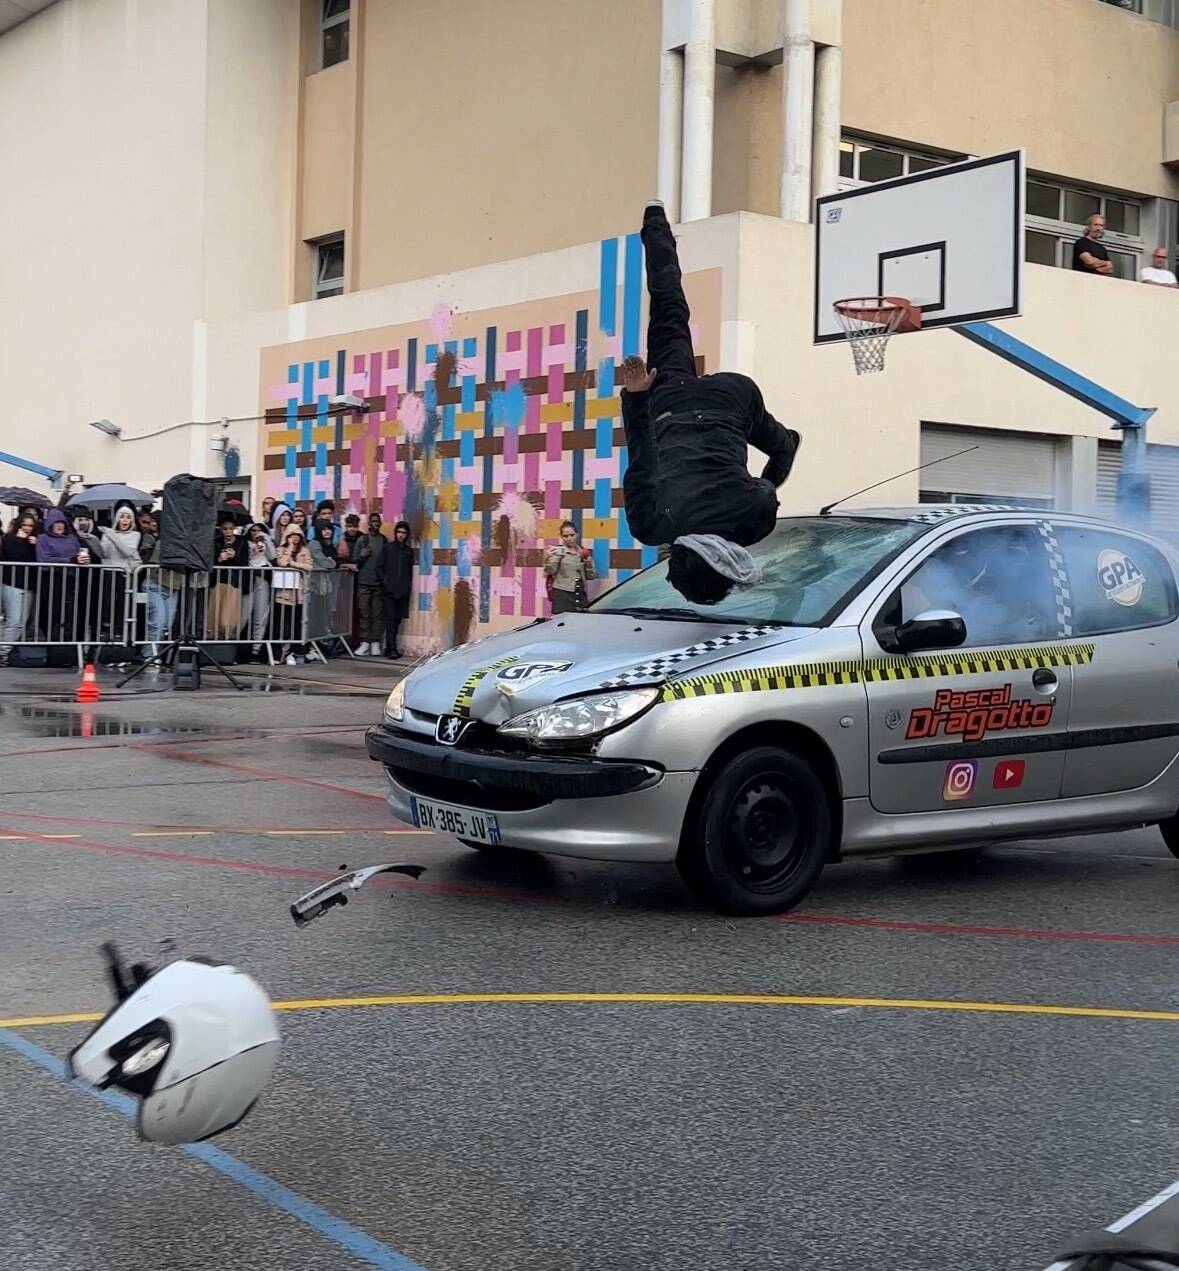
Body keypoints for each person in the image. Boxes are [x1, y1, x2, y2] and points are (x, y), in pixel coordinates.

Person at [619, 200, 800, 605]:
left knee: (783, 446)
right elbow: (642, 454)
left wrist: (773, 468)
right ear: (678, 557)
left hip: (732, 399)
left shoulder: (755, 523)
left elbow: (766, 488)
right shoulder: (651, 526)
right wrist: (636, 398)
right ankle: (655, 224)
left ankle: (788, 439)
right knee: (668, 308)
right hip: (668, 402)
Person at [0, 512, 38, 665]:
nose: (28, 528)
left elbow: (34, 559)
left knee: (22, 621)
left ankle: (6, 652)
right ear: (19, 525)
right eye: (25, 525)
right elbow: (15, 556)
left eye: (30, 526)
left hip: (29, 584)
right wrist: (22, 540)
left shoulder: (34, 541)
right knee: (13, 620)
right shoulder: (9, 538)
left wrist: (34, 544)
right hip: (12, 583)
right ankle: (3, 652)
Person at [274, 525, 313, 664]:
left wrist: (295, 564)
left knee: (298, 624)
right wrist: (289, 549)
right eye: (292, 534)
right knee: (284, 624)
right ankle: (282, 653)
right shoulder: (280, 549)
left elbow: (309, 567)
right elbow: (282, 563)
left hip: (300, 594)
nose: (295, 537)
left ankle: (297, 652)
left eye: (297, 534)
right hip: (284, 594)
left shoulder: (305, 551)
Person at [376, 520, 414, 658]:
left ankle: (389, 646)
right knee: (390, 620)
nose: (401, 535)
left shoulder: (408, 551)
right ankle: (392, 648)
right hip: (388, 592)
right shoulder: (387, 548)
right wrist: (385, 582)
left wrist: (406, 588)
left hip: (402, 592)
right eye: (399, 532)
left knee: (397, 620)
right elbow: (379, 567)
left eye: (404, 533)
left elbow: (409, 572)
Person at [544, 520, 596, 614]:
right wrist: (547, 558)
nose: (569, 538)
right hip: (563, 593)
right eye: (565, 536)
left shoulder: (582, 551)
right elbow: (550, 571)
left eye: (572, 535)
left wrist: (587, 561)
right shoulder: (558, 551)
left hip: (579, 593)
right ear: (561, 536)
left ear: (577, 534)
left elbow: (591, 576)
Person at [354, 512, 386, 656]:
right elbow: (355, 561)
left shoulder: (384, 541)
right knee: (364, 613)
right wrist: (362, 555)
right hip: (363, 583)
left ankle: (375, 642)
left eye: (377, 521)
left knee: (377, 614)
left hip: (378, 584)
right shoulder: (363, 540)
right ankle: (365, 642)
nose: (376, 524)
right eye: (373, 521)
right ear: (369, 524)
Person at [243, 521, 276, 662]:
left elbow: (273, 556)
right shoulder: (245, 544)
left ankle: (256, 648)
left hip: (262, 578)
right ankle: (242, 647)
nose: (256, 533)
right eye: (253, 530)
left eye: (259, 530)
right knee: (244, 614)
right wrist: (253, 549)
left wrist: (266, 539)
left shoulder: (265, 542)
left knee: (261, 615)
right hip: (247, 580)